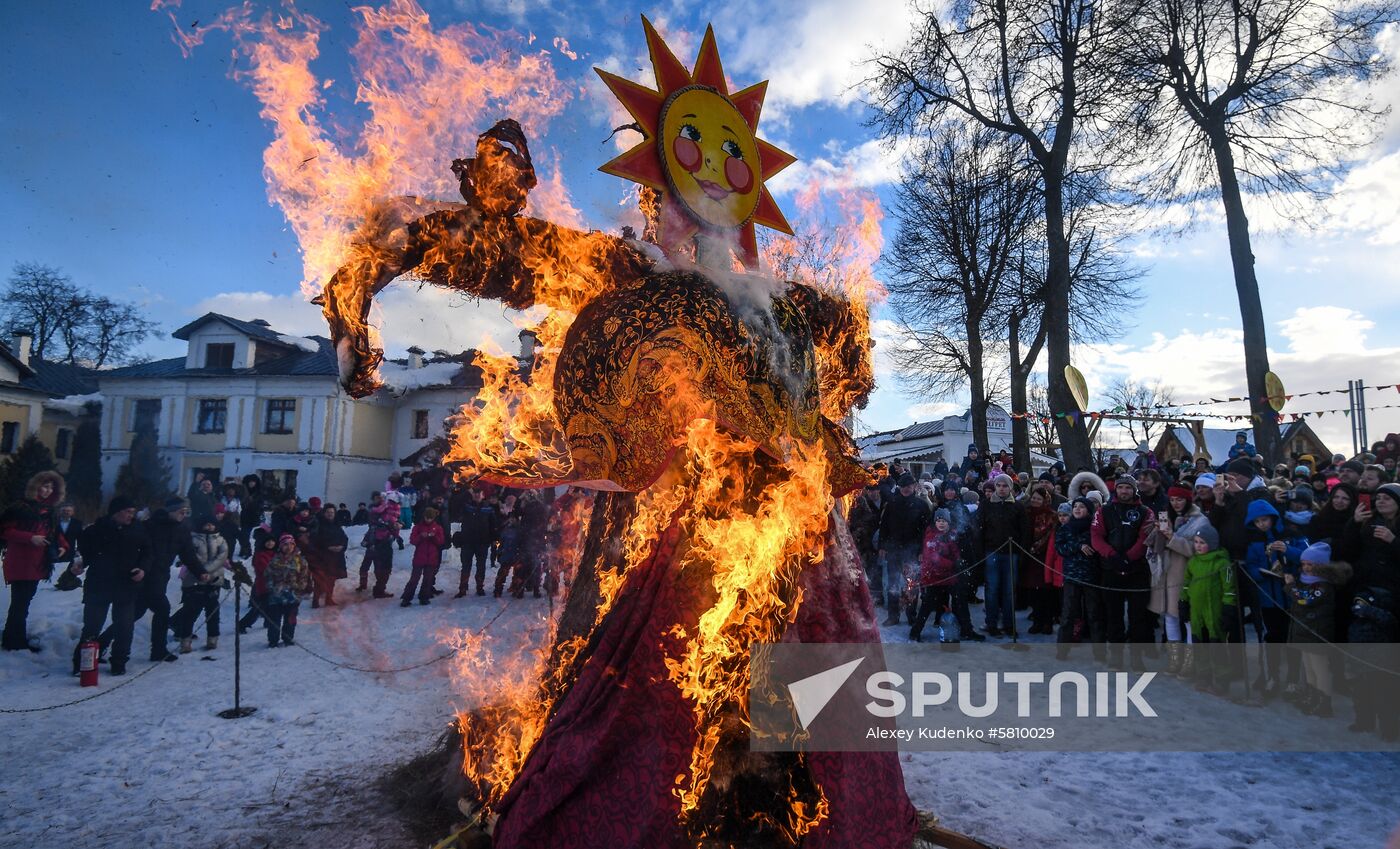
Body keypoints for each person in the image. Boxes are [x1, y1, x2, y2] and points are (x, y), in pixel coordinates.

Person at [72, 497, 150, 675]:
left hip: (126, 584)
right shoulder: (95, 530)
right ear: (116, 512)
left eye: (133, 512)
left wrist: (143, 569)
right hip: (99, 584)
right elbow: (83, 553)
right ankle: (81, 663)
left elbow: (148, 552)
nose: (131, 515)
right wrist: (78, 565)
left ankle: (119, 662)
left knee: (124, 626)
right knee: (92, 626)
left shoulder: (138, 530)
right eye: (128, 512)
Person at [1241, 499, 1303, 700]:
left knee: (1291, 639)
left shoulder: (1291, 535)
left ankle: (1293, 680)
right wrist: (1261, 574)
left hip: (1290, 596)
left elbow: (1308, 556)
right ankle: (1272, 676)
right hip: (1268, 596)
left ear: (1273, 517)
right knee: (1272, 639)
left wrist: (1288, 551)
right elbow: (1250, 565)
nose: (1262, 524)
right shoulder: (1253, 541)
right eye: (1257, 521)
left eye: (1265, 520)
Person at [1091, 475, 1154, 670]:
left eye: (1128, 488)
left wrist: (1130, 556)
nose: (1124, 491)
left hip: (1137, 570)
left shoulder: (1145, 511)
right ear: (1116, 490)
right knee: (1113, 615)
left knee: (1138, 616)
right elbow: (1096, 535)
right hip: (1111, 568)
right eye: (1121, 488)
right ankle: (1116, 655)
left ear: (1133, 490)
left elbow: (1146, 536)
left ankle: (1137, 657)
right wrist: (1111, 555)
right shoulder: (1104, 510)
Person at [1283, 542, 1352, 718]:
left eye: (1310, 564)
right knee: (1309, 667)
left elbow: (1305, 600)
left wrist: (1290, 587)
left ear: (1320, 565)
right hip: (1305, 631)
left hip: (1317, 632)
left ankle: (1324, 702)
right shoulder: (1306, 581)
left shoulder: (1322, 585)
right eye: (1304, 564)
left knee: (1320, 668)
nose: (1306, 568)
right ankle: (1312, 696)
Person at [1, 470, 65, 651]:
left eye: (51, 488)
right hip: (20, 562)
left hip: (38, 564)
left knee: (23, 603)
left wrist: (62, 546)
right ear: (35, 487)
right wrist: (30, 538)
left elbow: (56, 534)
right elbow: (5, 531)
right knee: (20, 603)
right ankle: (14, 642)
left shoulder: (49, 512)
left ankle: (12, 638)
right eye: (44, 486)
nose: (47, 491)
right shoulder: (19, 508)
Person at [1151, 485, 1211, 675]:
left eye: (1180, 499)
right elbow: (1153, 546)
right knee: (1170, 616)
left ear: (1188, 500)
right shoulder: (1168, 517)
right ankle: (1174, 659)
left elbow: (1196, 550)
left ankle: (1190, 660)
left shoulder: (1200, 521)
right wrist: (1157, 534)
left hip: (1187, 574)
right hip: (1166, 574)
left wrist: (1171, 537)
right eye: (1173, 499)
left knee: (1188, 617)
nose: (1175, 503)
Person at [1180, 525, 1237, 694]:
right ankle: (1203, 675)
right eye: (1196, 542)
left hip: (1214, 611)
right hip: (1196, 612)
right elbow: (1185, 584)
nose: (1198, 546)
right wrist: (1183, 602)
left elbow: (1229, 587)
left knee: (1216, 646)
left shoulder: (1222, 563)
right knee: (1200, 645)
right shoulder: (1193, 562)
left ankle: (1221, 679)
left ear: (1211, 544)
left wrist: (1229, 606)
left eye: (1202, 542)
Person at [975, 473, 1029, 638]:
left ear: (1010, 488)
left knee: (1009, 591)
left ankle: (1009, 624)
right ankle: (991, 623)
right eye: (999, 485)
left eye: (1005, 486)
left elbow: (1024, 532)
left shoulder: (1018, 506)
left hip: (1011, 553)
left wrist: (1022, 553)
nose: (1001, 488)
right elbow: (979, 530)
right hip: (991, 552)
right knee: (992, 590)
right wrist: (980, 554)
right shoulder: (986, 505)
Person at [877, 473, 930, 626]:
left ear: (914, 486)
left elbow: (925, 531)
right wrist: (882, 546)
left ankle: (911, 614)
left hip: (912, 551)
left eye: (909, 486)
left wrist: (921, 551)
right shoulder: (892, 503)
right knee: (893, 584)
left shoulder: (921, 505)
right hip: (893, 550)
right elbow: (884, 526)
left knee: (911, 585)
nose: (906, 489)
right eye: (903, 486)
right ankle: (893, 616)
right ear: (899, 487)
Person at [171, 515, 229, 654]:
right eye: (206, 525)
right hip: (194, 581)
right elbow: (190, 558)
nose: (209, 527)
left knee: (213, 612)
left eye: (211, 524)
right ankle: (185, 640)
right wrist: (200, 572)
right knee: (190, 612)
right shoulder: (191, 540)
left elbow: (221, 557)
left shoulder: (220, 540)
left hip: (214, 580)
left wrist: (207, 572)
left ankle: (212, 638)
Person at [1054, 498, 1104, 660]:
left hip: (1091, 577)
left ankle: (1099, 652)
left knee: (1094, 614)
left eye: (1082, 507)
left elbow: (1099, 547)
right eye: (1075, 506)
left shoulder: (1095, 528)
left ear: (1088, 510)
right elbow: (1060, 548)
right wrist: (1078, 546)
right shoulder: (1066, 528)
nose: (1077, 509)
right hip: (1072, 577)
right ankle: (1062, 650)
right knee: (1068, 614)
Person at [909, 509, 959, 642]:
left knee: (944, 605)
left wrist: (958, 560)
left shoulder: (952, 535)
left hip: (947, 577)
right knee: (926, 606)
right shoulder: (931, 536)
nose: (941, 524)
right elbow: (932, 557)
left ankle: (944, 630)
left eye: (944, 521)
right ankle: (915, 631)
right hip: (933, 577)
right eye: (939, 521)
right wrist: (952, 564)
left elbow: (956, 551)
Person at [263, 534, 309, 648]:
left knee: (290, 619)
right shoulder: (275, 560)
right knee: (274, 620)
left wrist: (299, 587)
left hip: (293, 595)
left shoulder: (300, 560)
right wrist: (272, 588)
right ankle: (273, 640)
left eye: (290, 544)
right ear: (281, 546)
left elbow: (304, 576)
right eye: (285, 545)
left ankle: (288, 638)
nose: (288, 547)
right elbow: (268, 575)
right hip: (276, 596)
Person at [454, 487, 499, 598]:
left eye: (479, 493)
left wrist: (494, 539)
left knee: (481, 566)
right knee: (466, 566)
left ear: (483, 495)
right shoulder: (467, 506)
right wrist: (465, 490)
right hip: (467, 541)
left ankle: (480, 587)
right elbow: (456, 503)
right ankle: (463, 588)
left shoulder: (488, 508)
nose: (477, 495)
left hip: (482, 542)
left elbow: (493, 526)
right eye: (475, 493)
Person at [357, 492, 401, 598]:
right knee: (367, 564)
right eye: (377, 498)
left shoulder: (388, 508)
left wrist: (398, 524)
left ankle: (380, 588)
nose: (380, 499)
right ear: (373, 499)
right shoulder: (375, 510)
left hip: (385, 541)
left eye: (381, 498)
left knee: (383, 567)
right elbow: (376, 522)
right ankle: (364, 584)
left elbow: (395, 519)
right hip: (374, 541)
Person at [401, 505, 446, 606]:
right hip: (419, 557)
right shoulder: (418, 527)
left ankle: (424, 597)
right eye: (427, 517)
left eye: (430, 518)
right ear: (424, 516)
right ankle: (406, 598)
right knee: (414, 579)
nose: (428, 520)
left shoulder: (438, 528)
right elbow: (412, 540)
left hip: (432, 558)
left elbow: (441, 542)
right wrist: (421, 536)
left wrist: (433, 537)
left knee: (428, 579)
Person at [308, 505, 348, 608]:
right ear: (324, 513)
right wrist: (327, 547)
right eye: (328, 512)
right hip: (322, 557)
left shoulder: (337, 525)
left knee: (332, 579)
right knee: (320, 579)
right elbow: (314, 540)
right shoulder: (318, 525)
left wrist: (341, 547)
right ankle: (315, 600)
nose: (330, 514)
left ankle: (329, 599)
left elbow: (344, 538)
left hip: (336, 557)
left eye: (332, 512)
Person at [51, 502, 84, 592]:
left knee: (70, 567)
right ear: (60, 511)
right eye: (64, 510)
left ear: (72, 512)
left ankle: (66, 582)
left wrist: (80, 550)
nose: (66, 512)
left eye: (69, 511)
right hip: (54, 551)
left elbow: (81, 538)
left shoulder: (77, 523)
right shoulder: (53, 522)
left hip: (70, 551)